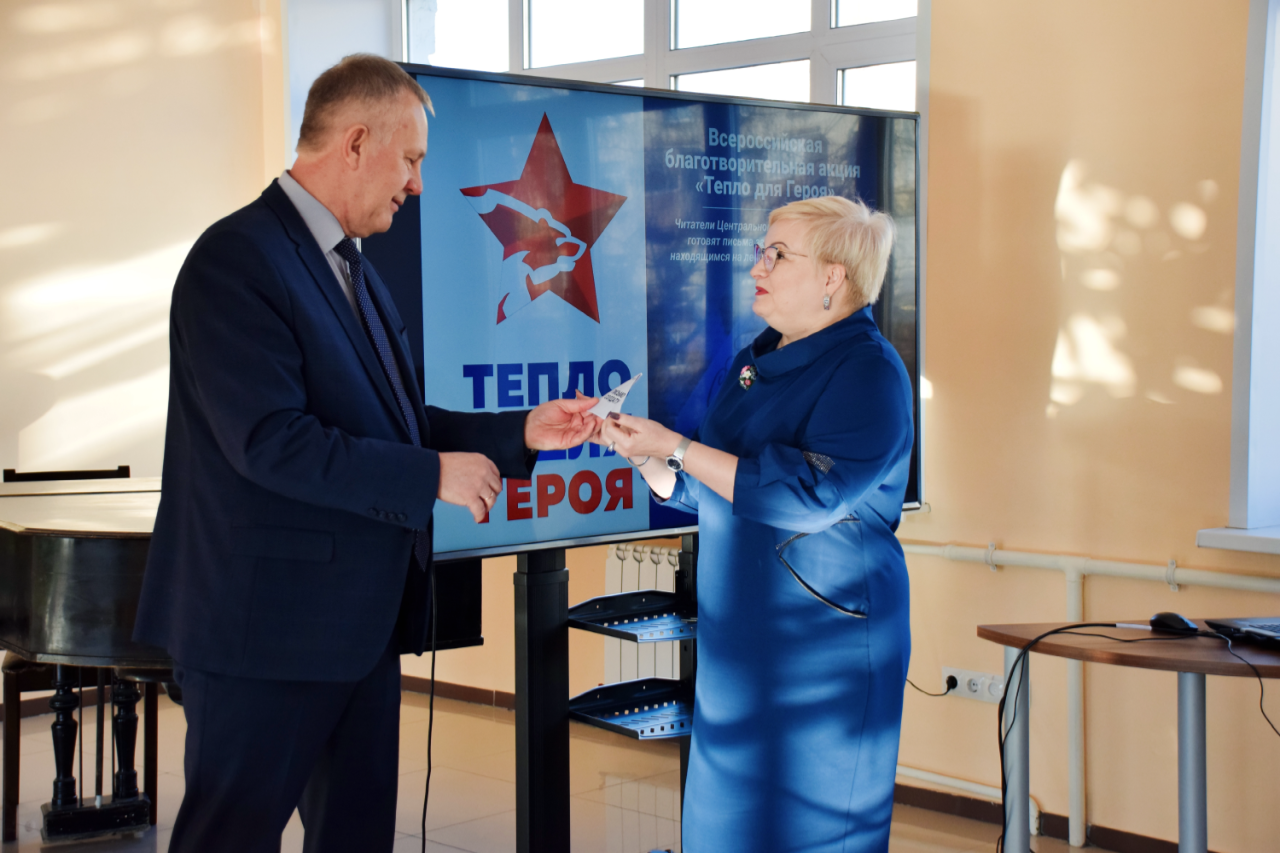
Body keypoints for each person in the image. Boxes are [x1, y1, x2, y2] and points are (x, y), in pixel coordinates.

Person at [133, 54, 599, 852]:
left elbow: (391, 421)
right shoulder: (235, 259)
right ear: (354, 143)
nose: (417, 183)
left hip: (359, 632)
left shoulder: (354, 267)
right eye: (410, 159)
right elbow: (270, 440)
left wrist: (520, 431)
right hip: (262, 637)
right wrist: (432, 476)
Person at [598, 196, 914, 853]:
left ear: (833, 276)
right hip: (737, 642)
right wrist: (647, 455)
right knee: (725, 828)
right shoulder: (755, 362)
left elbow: (808, 494)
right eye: (760, 252)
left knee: (807, 829)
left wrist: (680, 446)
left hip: (819, 649)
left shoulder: (869, 372)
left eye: (777, 255)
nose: (756, 268)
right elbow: (716, 486)